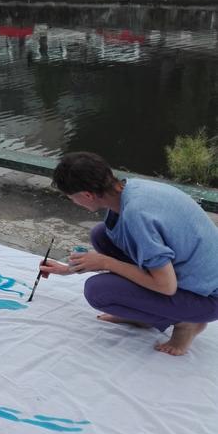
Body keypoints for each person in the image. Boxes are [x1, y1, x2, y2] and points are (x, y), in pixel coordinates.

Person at [40, 152, 218, 356]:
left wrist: (105, 262)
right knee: (101, 234)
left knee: (98, 291)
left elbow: (166, 286)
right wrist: (67, 269)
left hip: (207, 299)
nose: (74, 202)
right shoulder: (130, 189)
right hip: (191, 276)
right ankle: (143, 315)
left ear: (87, 195)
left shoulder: (136, 214)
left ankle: (186, 323)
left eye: (72, 198)